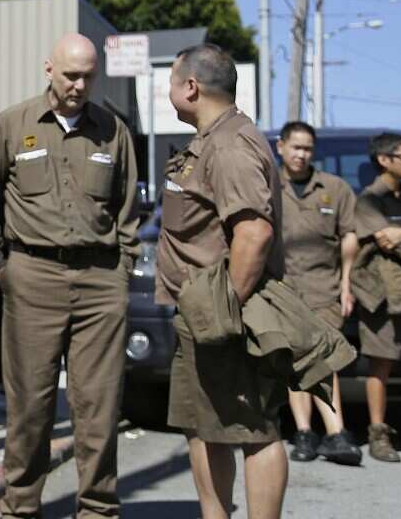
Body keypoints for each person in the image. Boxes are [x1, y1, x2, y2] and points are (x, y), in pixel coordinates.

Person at [0, 32, 139, 519]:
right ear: (49, 69)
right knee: (30, 404)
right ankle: (20, 505)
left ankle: (98, 509)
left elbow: (128, 211)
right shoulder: (12, 125)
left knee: (98, 407)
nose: (79, 85)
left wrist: (122, 272)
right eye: (70, 75)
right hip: (31, 278)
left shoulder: (113, 131)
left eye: (88, 76)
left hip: (101, 281)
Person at [155, 44, 288, 519]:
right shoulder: (211, 139)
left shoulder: (231, 144)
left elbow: (254, 233)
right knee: (204, 426)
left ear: (190, 87)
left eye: (170, 79)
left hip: (224, 316)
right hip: (201, 315)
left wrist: (225, 312)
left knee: (252, 429)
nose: (167, 89)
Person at [274, 121, 361, 465]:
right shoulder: (266, 185)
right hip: (283, 289)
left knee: (326, 359)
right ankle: (305, 433)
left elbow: (349, 237)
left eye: (307, 148)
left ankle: (336, 433)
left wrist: (347, 284)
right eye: (295, 147)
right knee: (294, 361)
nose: (301, 154)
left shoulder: (334, 188)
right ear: (280, 147)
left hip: (324, 288)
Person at [354, 132, 401, 462]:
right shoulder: (369, 200)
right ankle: (379, 435)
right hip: (383, 295)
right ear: (384, 160)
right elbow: (385, 240)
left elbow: (400, 239)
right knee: (380, 366)